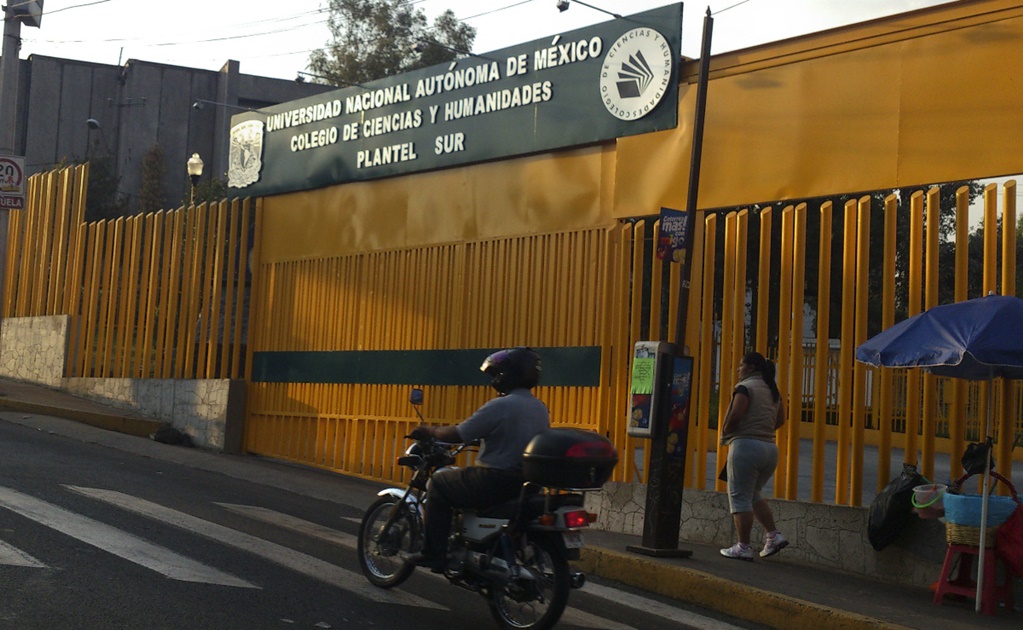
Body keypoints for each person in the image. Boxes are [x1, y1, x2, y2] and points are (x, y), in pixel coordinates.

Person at [405, 347, 549, 571]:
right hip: (524, 483)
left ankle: (433, 554)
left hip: (494, 480)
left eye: (497, 374)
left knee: (440, 484)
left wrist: (431, 431)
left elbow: (459, 433)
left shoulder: (501, 405)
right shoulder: (540, 408)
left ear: (506, 375)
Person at [718, 351, 789, 561]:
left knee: (739, 497)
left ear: (750, 368)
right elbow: (781, 420)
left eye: (741, 365)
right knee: (753, 494)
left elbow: (737, 414)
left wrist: (729, 431)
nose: (738, 370)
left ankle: (743, 546)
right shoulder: (772, 390)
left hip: (745, 447)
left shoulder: (745, 388)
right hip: (769, 448)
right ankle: (773, 535)